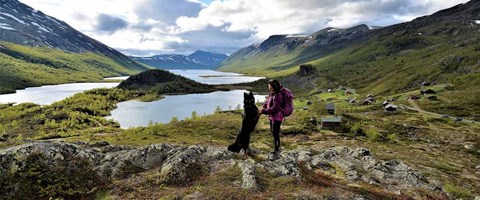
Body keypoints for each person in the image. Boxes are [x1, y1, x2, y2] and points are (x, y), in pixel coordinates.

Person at [259, 79, 284, 161]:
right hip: (272, 117)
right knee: (273, 133)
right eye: (269, 86)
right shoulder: (271, 95)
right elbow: (266, 103)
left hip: (277, 117)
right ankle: (277, 149)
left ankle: (277, 151)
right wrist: (263, 107)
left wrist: (264, 111)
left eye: (272, 86)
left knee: (275, 133)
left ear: (275, 86)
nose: (270, 88)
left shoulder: (278, 96)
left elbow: (274, 109)